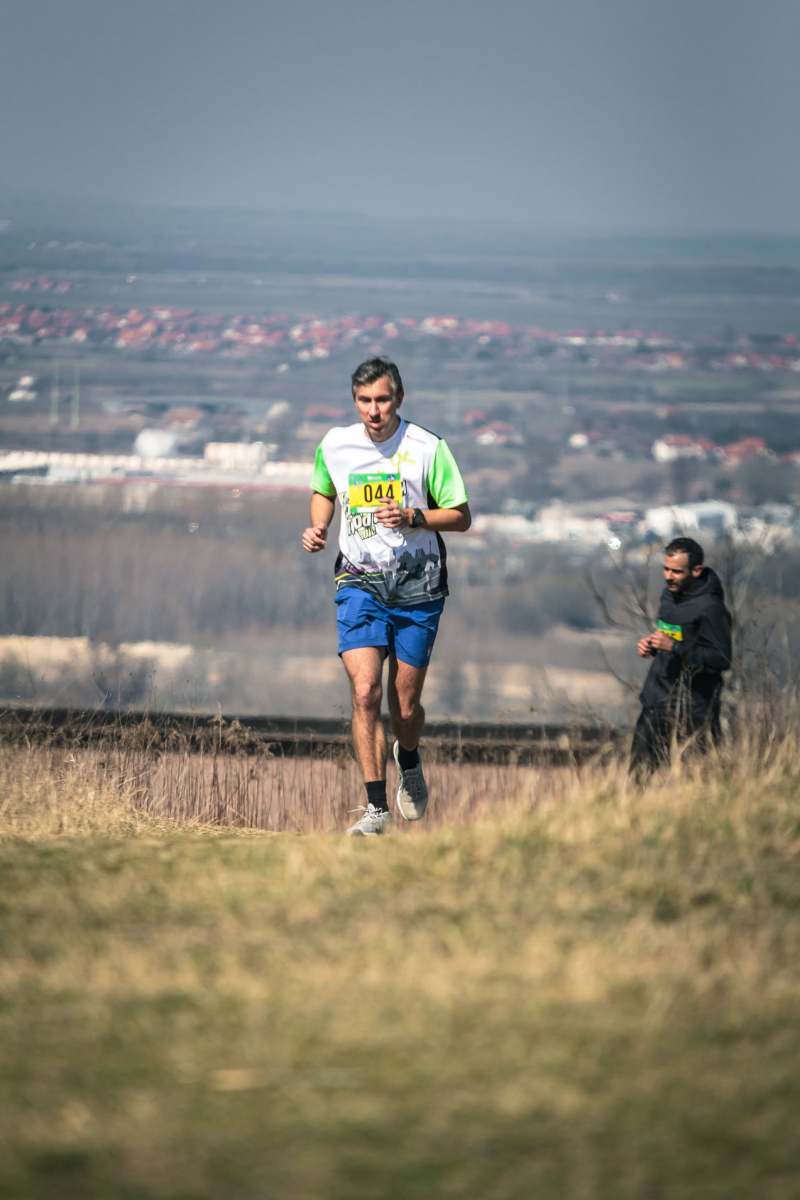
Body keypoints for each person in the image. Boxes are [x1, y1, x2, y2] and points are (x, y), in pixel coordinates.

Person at [302, 357, 471, 835]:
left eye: (381, 400)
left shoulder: (428, 448)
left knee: (405, 706)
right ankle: (375, 807)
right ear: (354, 400)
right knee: (364, 691)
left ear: (399, 398)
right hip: (359, 580)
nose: (373, 410)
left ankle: (409, 756)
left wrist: (414, 517)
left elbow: (461, 516)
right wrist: (319, 526)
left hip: (419, 584)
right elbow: (323, 490)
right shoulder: (336, 444)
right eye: (364, 401)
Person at [630, 536, 732, 778]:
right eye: (666, 569)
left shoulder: (711, 607)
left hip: (693, 707)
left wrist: (674, 647)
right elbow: (671, 634)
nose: (668, 577)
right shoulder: (669, 595)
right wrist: (651, 645)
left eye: (676, 571)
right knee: (639, 775)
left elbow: (721, 659)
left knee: (698, 777)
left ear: (696, 570)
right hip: (656, 698)